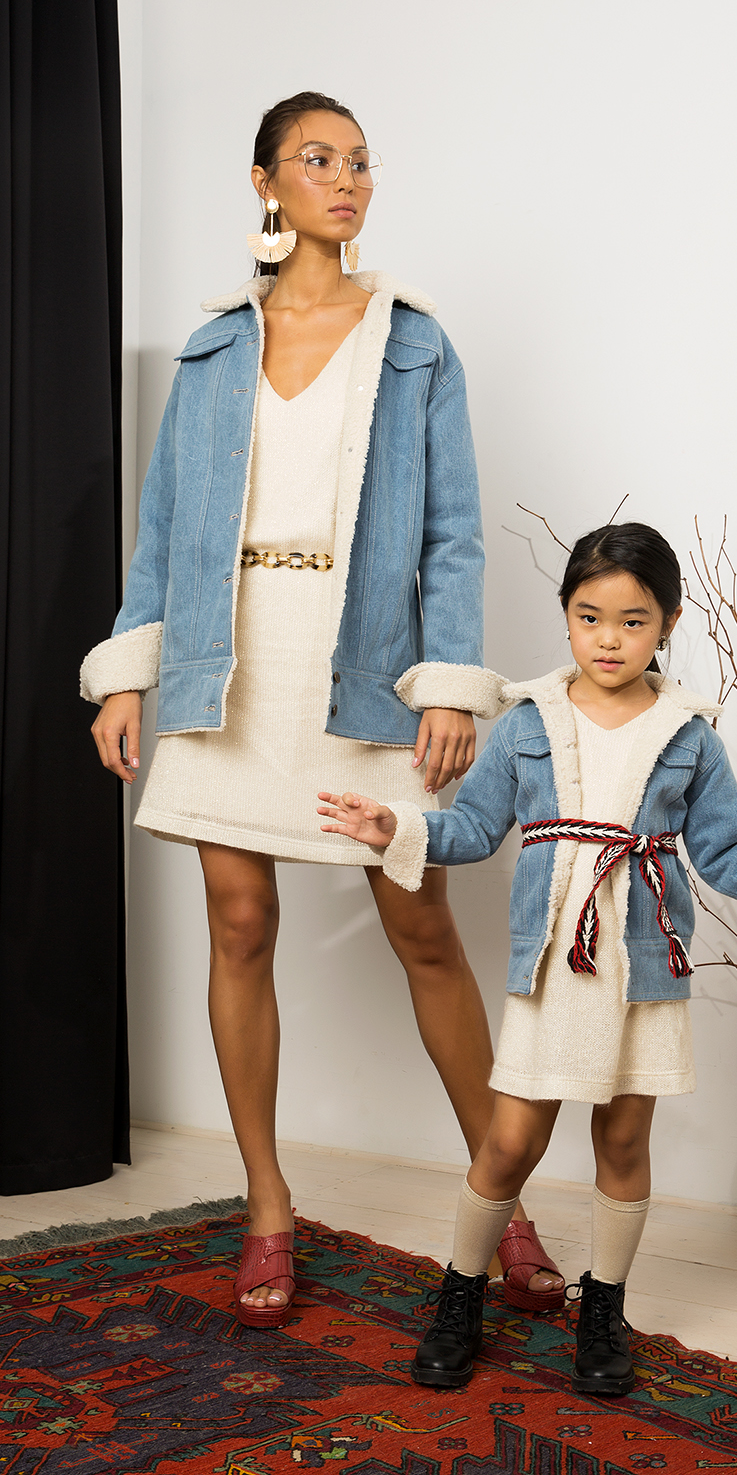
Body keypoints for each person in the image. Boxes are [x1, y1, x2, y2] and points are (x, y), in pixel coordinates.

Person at [81, 90, 563, 1328]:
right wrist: (129, 671)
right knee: (240, 923)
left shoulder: (414, 345)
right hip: (226, 661)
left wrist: (447, 681)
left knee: (423, 929)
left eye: (359, 162)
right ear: (265, 183)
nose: (347, 181)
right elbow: (163, 531)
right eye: (317, 159)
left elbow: (453, 534)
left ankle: (502, 1201)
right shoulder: (212, 350)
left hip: (364, 665)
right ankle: (266, 1204)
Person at [321, 520, 737, 1393]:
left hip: (643, 967)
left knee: (622, 1138)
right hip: (554, 965)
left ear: (668, 624)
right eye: (589, 618)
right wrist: (397, 827)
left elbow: (726, 852)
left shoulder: (690, 736)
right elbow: (475, 829)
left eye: (632, 620)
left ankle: (604, 1310)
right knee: (511, 1141)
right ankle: (460, 1295)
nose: (608, 639)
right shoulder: (526, 723)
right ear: (566, 617)